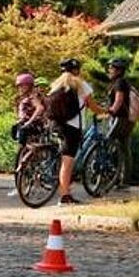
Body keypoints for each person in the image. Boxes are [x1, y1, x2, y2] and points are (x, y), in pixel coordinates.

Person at [49, 61, 107, 205]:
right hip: (72, 128)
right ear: (77, 71)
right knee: (67, 162)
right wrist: (106, 111)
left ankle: (65, 189)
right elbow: (93, 106)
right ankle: (64, 196)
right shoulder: (81, 85)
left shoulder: (57, 84)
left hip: (57, 125)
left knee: (64, 160)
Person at [7, 72, 45, 197]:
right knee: (24, 158)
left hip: (32, 129)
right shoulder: (23, 98)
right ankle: (24, 186)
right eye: (19, 86)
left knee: (31, 159)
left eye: (22, 86)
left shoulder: (32, 97)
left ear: (29, 86)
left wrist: (29, 121)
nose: (20, 89)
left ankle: (29, 186)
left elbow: (40, 108)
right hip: (25, 128)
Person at [105, 58, 133, 188]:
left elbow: (119, 100)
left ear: (118, 70)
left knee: (109, 145)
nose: (109, 70)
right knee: (123, 149)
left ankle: (114, 178)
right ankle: (123, 180)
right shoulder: (122, 82)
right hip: (126, 119)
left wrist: (110, 111)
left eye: (111, 68)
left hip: (120, 119)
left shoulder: (120, 83)